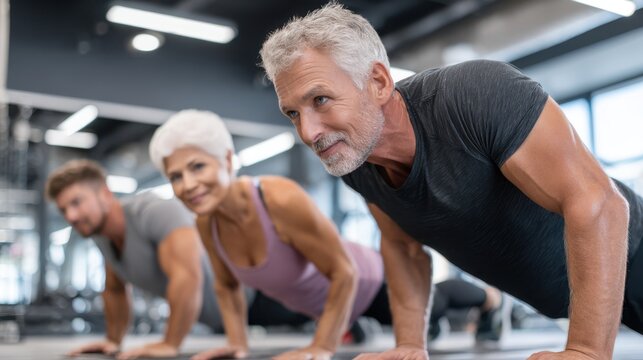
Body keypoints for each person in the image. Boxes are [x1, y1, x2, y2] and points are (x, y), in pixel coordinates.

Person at [259, 3, 643, 360]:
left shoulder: (476, 96)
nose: (308, 132)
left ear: (377, 82)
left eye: (321, 100)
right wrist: (410, 345)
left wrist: (586, 351)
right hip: (582, 299)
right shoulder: (358, 161)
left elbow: (600, 203)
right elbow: (402, 248)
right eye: (292, 112)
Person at [45, 160, 306, 360]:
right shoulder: (103, 237)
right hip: (223, 322)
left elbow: (188, 277)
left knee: (325, 307)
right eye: (63, 209)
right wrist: (113, 341)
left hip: (259, 295)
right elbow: (114, 289)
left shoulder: (154, 211)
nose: (71, 215)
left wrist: (170, 343)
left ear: (104, 194)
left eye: (76, 202)